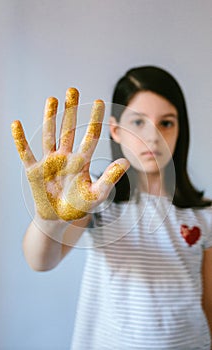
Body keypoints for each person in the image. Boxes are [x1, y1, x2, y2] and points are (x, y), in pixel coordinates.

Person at [11, 66, 212, 349]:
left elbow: (209, 306)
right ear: (116, 130)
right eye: (139, 122)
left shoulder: (204, 216)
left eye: (166, 123)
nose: (153, 137)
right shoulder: (97, 199)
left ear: (181, 130)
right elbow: (41, 261)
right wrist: (50, 218)